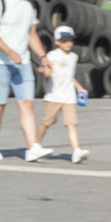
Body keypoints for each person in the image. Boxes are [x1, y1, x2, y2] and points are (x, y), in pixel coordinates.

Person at [0, 0, 53, 162]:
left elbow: (32, 35)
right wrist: (9, 52)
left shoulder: (29, 6)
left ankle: (32, 147)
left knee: (27, 103)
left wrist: (42, 56)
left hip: (23, 64)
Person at [37, 26, 89, 163]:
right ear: (57, 41)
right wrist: (46, 71)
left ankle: (76, 150)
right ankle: (35, 145)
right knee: (46, 123)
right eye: (65, 40)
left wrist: (80, 88)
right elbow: (41, 68)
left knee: (72, 123)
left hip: (69, 97)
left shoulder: (74, 57)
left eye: (71, 40)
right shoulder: (52, 55)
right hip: (53, 96)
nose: (68, 43)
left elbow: (71, 77)